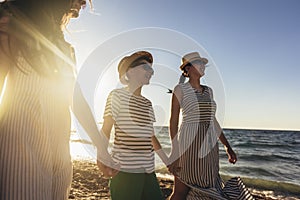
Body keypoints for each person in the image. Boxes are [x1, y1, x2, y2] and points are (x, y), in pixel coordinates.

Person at [0, 1, 113, 199]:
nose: (84, 3)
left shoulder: (66, 49)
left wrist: (101, 147)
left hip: (60, 158)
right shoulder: (10, 27)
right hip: (19, 153)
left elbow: (75, 100)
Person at [97, 51, 168, 200]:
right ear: (130, 71)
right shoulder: (116, 95)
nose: (151, 72)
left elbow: (151, 136)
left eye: (152, 69)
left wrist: (168, 161)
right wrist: (101, 155)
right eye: (146, 68)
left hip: (148, 171)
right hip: (124, 171)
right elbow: (106, 127)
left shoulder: (147, 103)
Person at [168, 52, 238, 200]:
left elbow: (213, 121)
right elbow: (173, 121)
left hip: (209, 146)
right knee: (180, 192)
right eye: (198, 63)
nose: (203, 66)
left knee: (209, 189)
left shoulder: (209, 91)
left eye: (203, 63)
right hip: (188, 143)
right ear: (188, 68)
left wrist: (227, 147)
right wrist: (175, 151)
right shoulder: (180, 89)